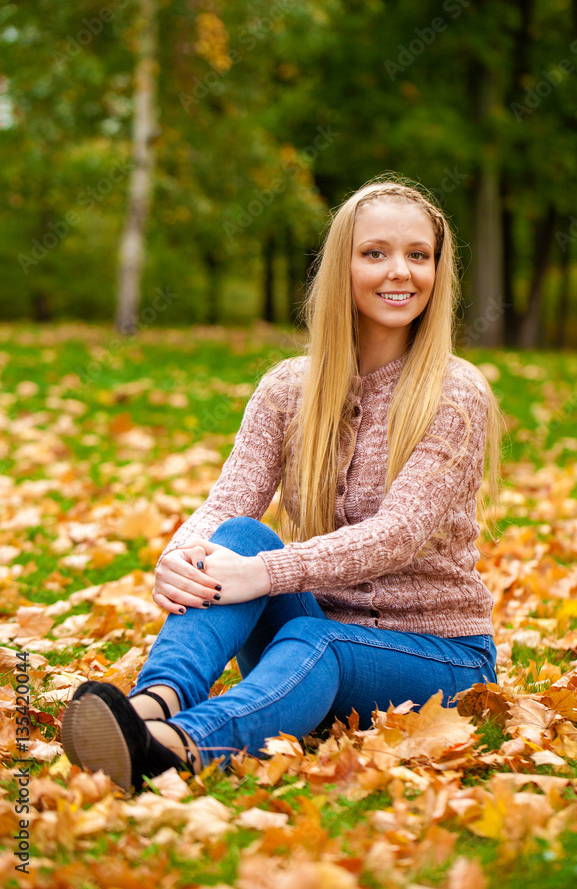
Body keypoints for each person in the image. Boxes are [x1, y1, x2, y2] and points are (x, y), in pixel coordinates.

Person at [62, 176, 504, 795]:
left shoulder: (455, 393)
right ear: (342, 267)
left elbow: (398, 535)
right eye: (375, 252)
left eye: (419, 255)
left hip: (440, 656)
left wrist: (265, 573)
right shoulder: (288, 389)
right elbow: (228, 504)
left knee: (310, 635)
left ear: (437, 270)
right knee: (238, 536)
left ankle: (176, 749)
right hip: (319, 622)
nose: (399, 272)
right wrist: (180, 554)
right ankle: (149, 707)